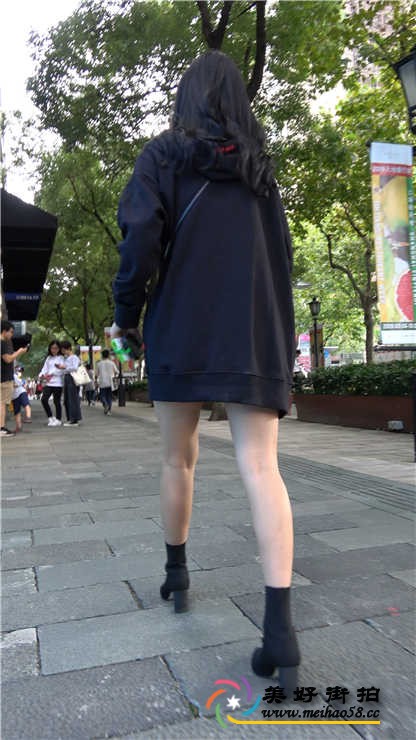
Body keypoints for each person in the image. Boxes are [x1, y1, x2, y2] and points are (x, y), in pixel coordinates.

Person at [111, 51, 299, 690]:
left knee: (178, 458)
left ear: (185, 98)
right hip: (252, 330)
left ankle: (176, 572)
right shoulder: (259, 171)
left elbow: (139, 240)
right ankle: (279, 630)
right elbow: (281, 257)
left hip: (181, 327)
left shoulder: (161, 157)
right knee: (262, 465)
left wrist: (126, 316)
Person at [1, 320, 28, 437]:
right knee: (2, 403)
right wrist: (19, 352)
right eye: (11, 332)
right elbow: (8, 359)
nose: (12, 334)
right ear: (4, 331)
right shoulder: (3, 343)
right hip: (4, 378)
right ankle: (1, 428)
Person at [55, 341, 82, 426]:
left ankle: (73, 419)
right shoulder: (67, 358)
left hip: (72, 378)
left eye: (63, 350)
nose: (62, 351)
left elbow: (75, 368)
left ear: (67, 349)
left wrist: (64, 367)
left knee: (72, 399)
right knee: (67, 399)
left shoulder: (74, 357)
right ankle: (71, 418)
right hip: (67, 378)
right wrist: (61, 368)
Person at [39, 340, 65, 426]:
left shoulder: (61, 358)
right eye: (52, 348)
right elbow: (44, 369)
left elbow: (62, 371)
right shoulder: (49, 358)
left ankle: (58, 419)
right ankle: (50, 417)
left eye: (56, 348)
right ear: (50, 349)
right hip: (48, 383)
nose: (54, 350)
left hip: (57, 383)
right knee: (44, 399)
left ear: (59, 349)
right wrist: (41, 375)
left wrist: (51, 374)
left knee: (56, 401)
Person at [95, 349, 118, 415]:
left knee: (102, 396)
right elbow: (116, 372)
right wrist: (114, 376)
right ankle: (109, 411)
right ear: (108, 355)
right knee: (109, 397)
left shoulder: (99, 364)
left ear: (102, 355)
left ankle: (105, 404)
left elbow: (96, 374)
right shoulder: (112, 363)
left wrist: (96, 380)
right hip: (110, 382)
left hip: (102, 382)